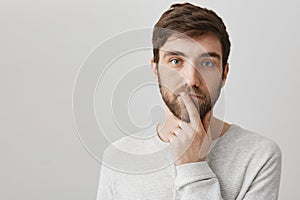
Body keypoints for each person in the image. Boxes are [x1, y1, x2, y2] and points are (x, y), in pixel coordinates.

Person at [96, 2, 281, 200]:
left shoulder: (259, 156)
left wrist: (193, 168)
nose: (191, 80)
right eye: (175, 61)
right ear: (155, 69)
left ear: (224, 74)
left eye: (207, 63)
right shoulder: (118, 157)